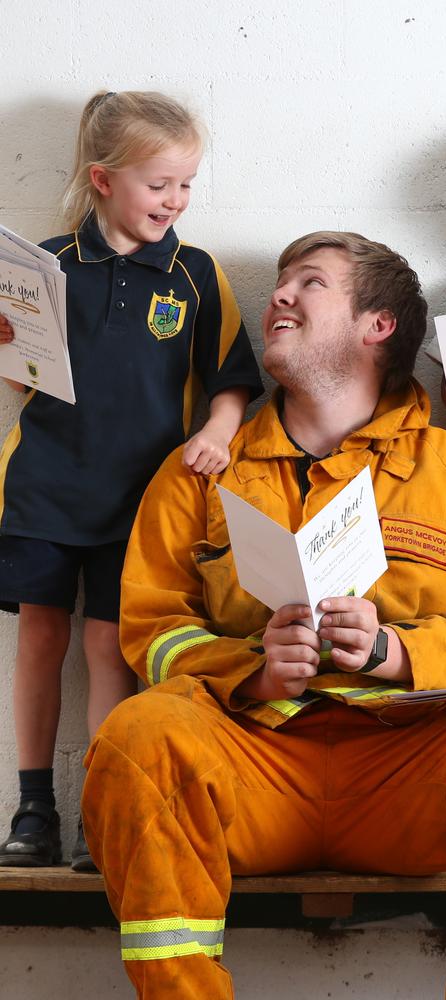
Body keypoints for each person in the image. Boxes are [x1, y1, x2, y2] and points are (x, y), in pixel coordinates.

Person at [83, 231, 446, 999]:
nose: (280, 296)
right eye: (281, 281)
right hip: (250, 770)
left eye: (310, 283)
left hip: (410, 774)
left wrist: (391, 650)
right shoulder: (199, 469)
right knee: (135, 735)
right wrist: (252, 672)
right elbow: (151, 637)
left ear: (377, 325)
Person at [0, 90, 263, 871]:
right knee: (41, 638)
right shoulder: (42, 266)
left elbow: (231, 380)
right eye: (160, 184)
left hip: (144, 501)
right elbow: (22, 380)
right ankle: (34, 807)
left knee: (112, 647)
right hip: (45, 487)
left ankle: (101, 811)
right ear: (103, 179)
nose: (175, 200)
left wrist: (218, 432)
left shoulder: (195, 276)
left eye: (185, 184)